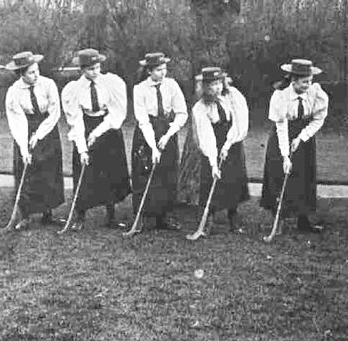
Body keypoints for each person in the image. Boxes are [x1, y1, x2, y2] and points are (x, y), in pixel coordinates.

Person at [61, 49, 131, 229]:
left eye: (98, 67)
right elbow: (75, 120)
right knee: (85, 170)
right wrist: (83, 148)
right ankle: (80, 215)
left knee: (109, 171)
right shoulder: (73, 89)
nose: (96, 72)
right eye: (91, 69)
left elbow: (117, 112)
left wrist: (98, 132)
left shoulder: (111, 83)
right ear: (82, 69)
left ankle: (111, 216)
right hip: (85, 124)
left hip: (107, 126)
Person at [260, 59, 329, 233]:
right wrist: (285, 155)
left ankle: (303, 220)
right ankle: (279, 220)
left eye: (310, 81)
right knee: (280, 174)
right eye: (305, 82)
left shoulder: (316, 93)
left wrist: (302, 137)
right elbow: (281, 126)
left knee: (304, 177)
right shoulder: (280, 95)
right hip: (281, 136)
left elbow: (318, 119)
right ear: (294, 80)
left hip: (304, 138)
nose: (309, 85)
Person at [3, 52, 64, 230]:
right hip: (25, 128)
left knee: (48, 170)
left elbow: (54, 112)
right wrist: (24, 147)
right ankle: (26, 215)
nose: (36, 75)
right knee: (27, 170)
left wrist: (39, 134)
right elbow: (17, 120)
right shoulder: (14, 92)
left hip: (47, 129)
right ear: (21, 74)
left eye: (36, 70)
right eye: (31, 73)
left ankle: (48, 213)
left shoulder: (48, 84)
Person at [129, 52, 188, 231]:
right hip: (147, 132)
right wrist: (153, 147)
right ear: (149, 71)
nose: (163, 73)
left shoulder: (172, 85)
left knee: (167, 172)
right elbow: (143, 120)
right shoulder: (139, 89)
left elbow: (182, 113)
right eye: (158, 70)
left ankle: (165, 215)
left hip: (167, 130)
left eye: (164, 69)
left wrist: (168, 135)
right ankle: (142, 215)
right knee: (144, 172)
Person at [189, 67, 250, 233]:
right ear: (205, 88)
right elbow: (206, 135)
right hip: (213, 142)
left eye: (218, 83)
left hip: (233, 142)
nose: (216, 88)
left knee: (233, 179)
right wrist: (213, 161)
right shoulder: (200, 107)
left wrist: (228, 144)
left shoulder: (233, 96)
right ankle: (208, 220)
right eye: (211, 85)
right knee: (211, 179)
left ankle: (233, 218)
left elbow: (240, 121)